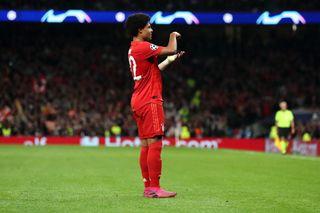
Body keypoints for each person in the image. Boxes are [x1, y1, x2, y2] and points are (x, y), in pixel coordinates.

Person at [125, 13, 184, 198]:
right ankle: (155, 187)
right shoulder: (143, 47)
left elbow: (153, 71)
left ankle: (148, 187)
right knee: (156, 144)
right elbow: (171, 48)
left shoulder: (133, 48)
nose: (152, 30)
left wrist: (169, 61)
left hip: (138, 99)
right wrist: (173, 35)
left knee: (145, 145)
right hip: (150, 99)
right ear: (139, 30)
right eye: (149, 27)